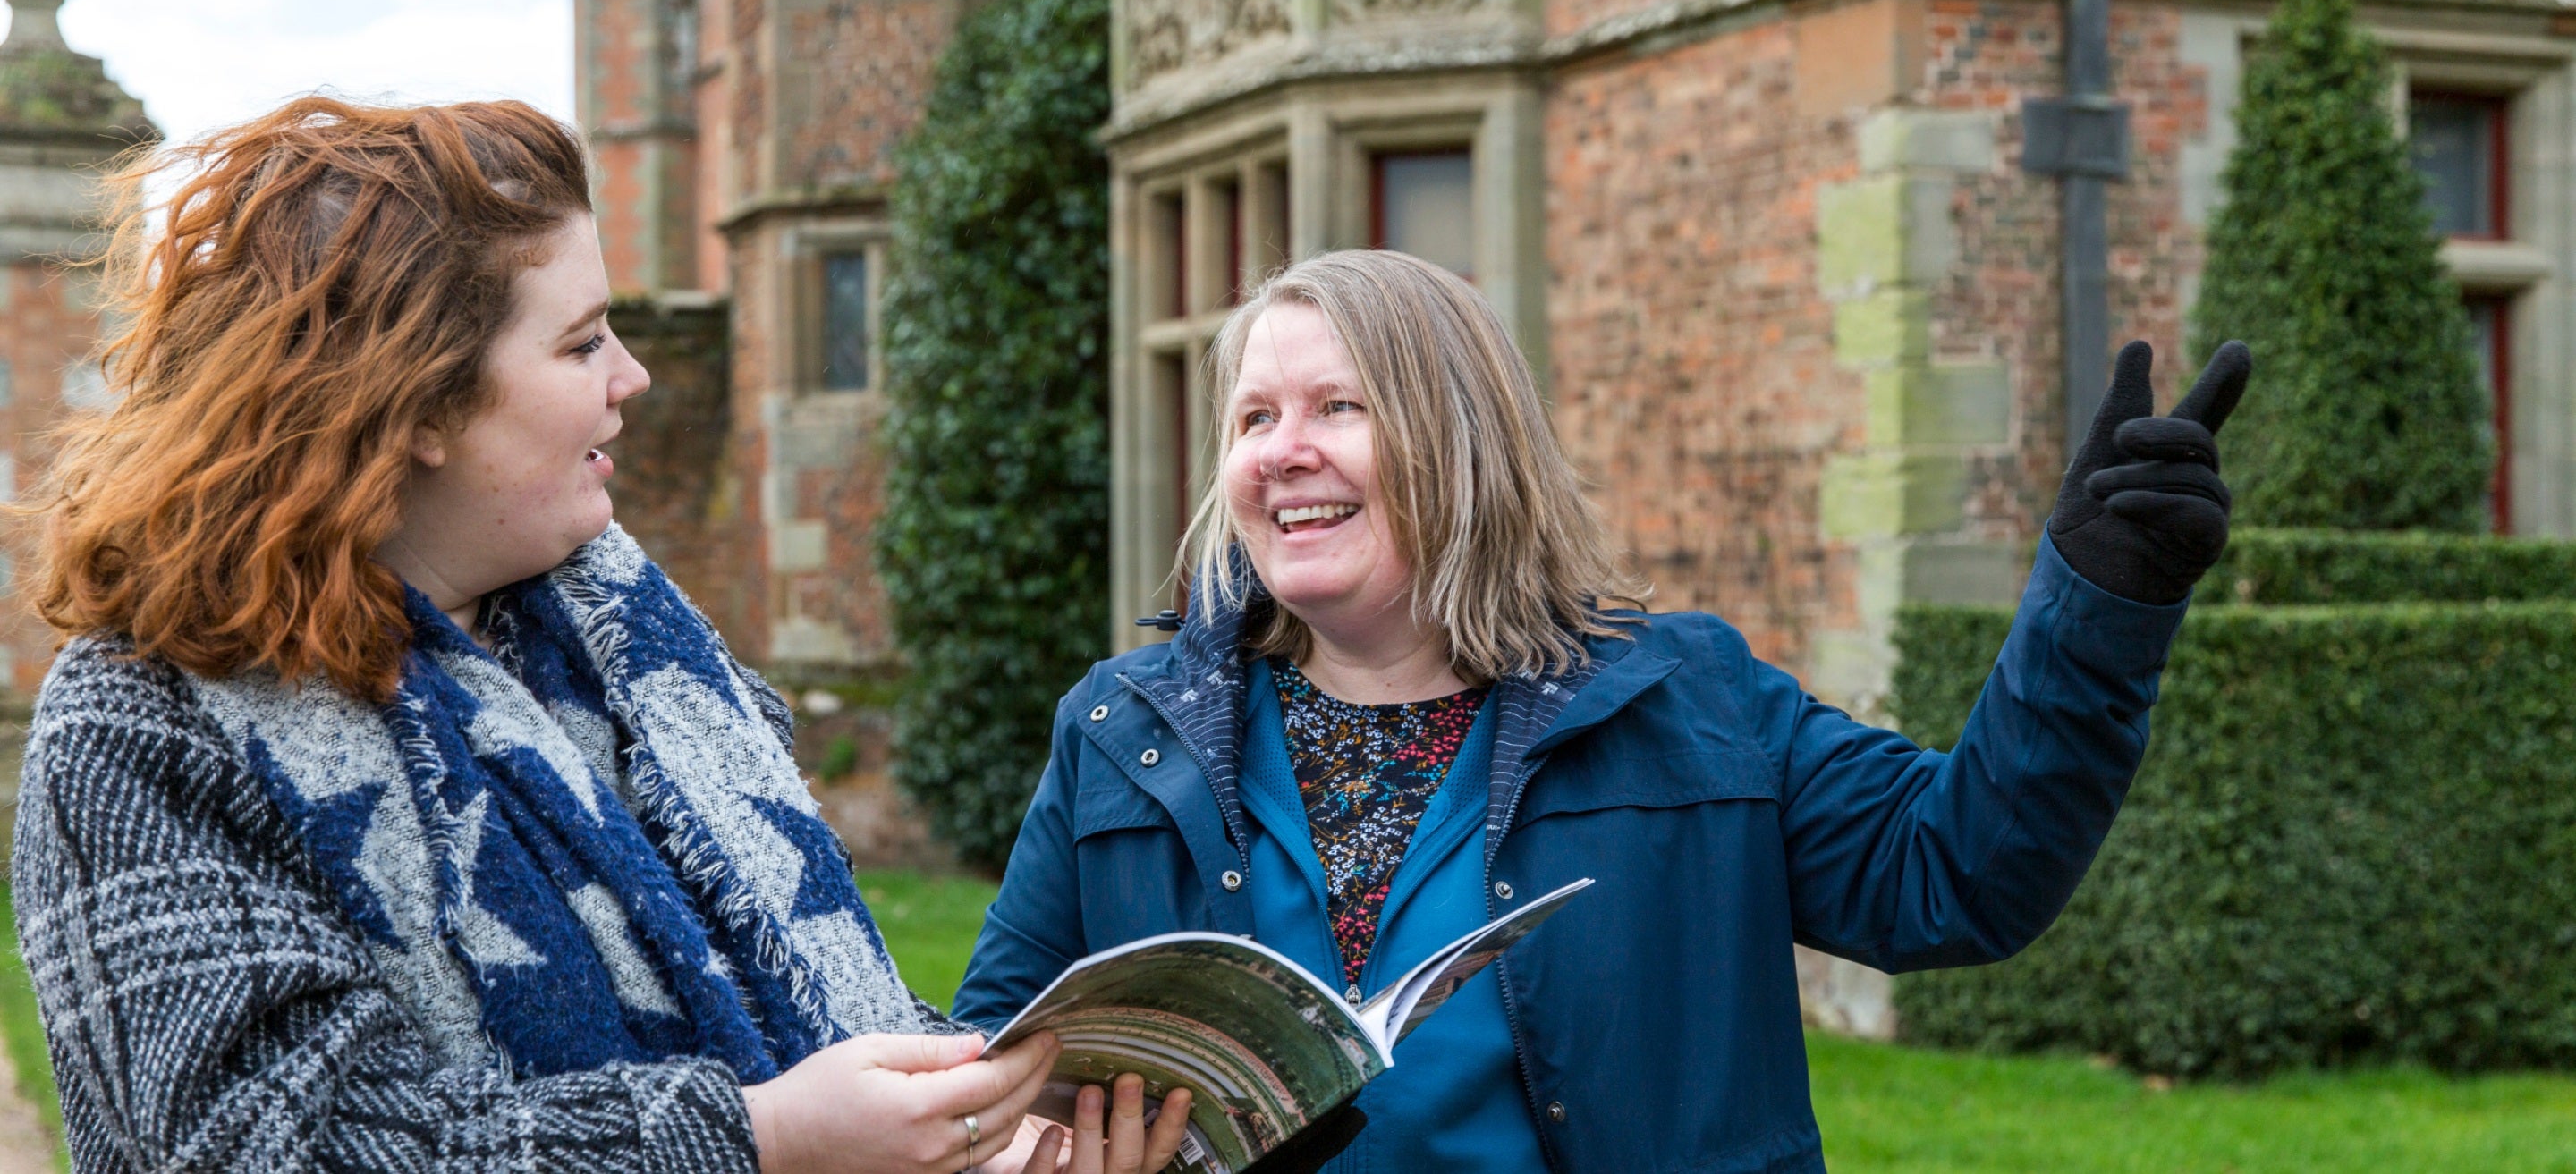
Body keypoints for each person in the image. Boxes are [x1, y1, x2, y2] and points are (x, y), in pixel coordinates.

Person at [12, 97, 1192, 1174]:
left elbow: (804, 1012)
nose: (631, 378)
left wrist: (991, 1133)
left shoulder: (639, 649)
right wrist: (762, 1141)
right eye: (580, 345)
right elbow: (266, 1149)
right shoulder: (145, 725)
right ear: (416, 403)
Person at [954, 249, 2252, 1173]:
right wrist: (1034, 1150)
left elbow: (1960, 874)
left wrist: (2099, 606)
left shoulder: (1686, 703)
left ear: (1462, 444)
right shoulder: (1121, 733)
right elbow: (978, 1066)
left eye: (1339, 408)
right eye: (1253, 417)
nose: (1281, 451)